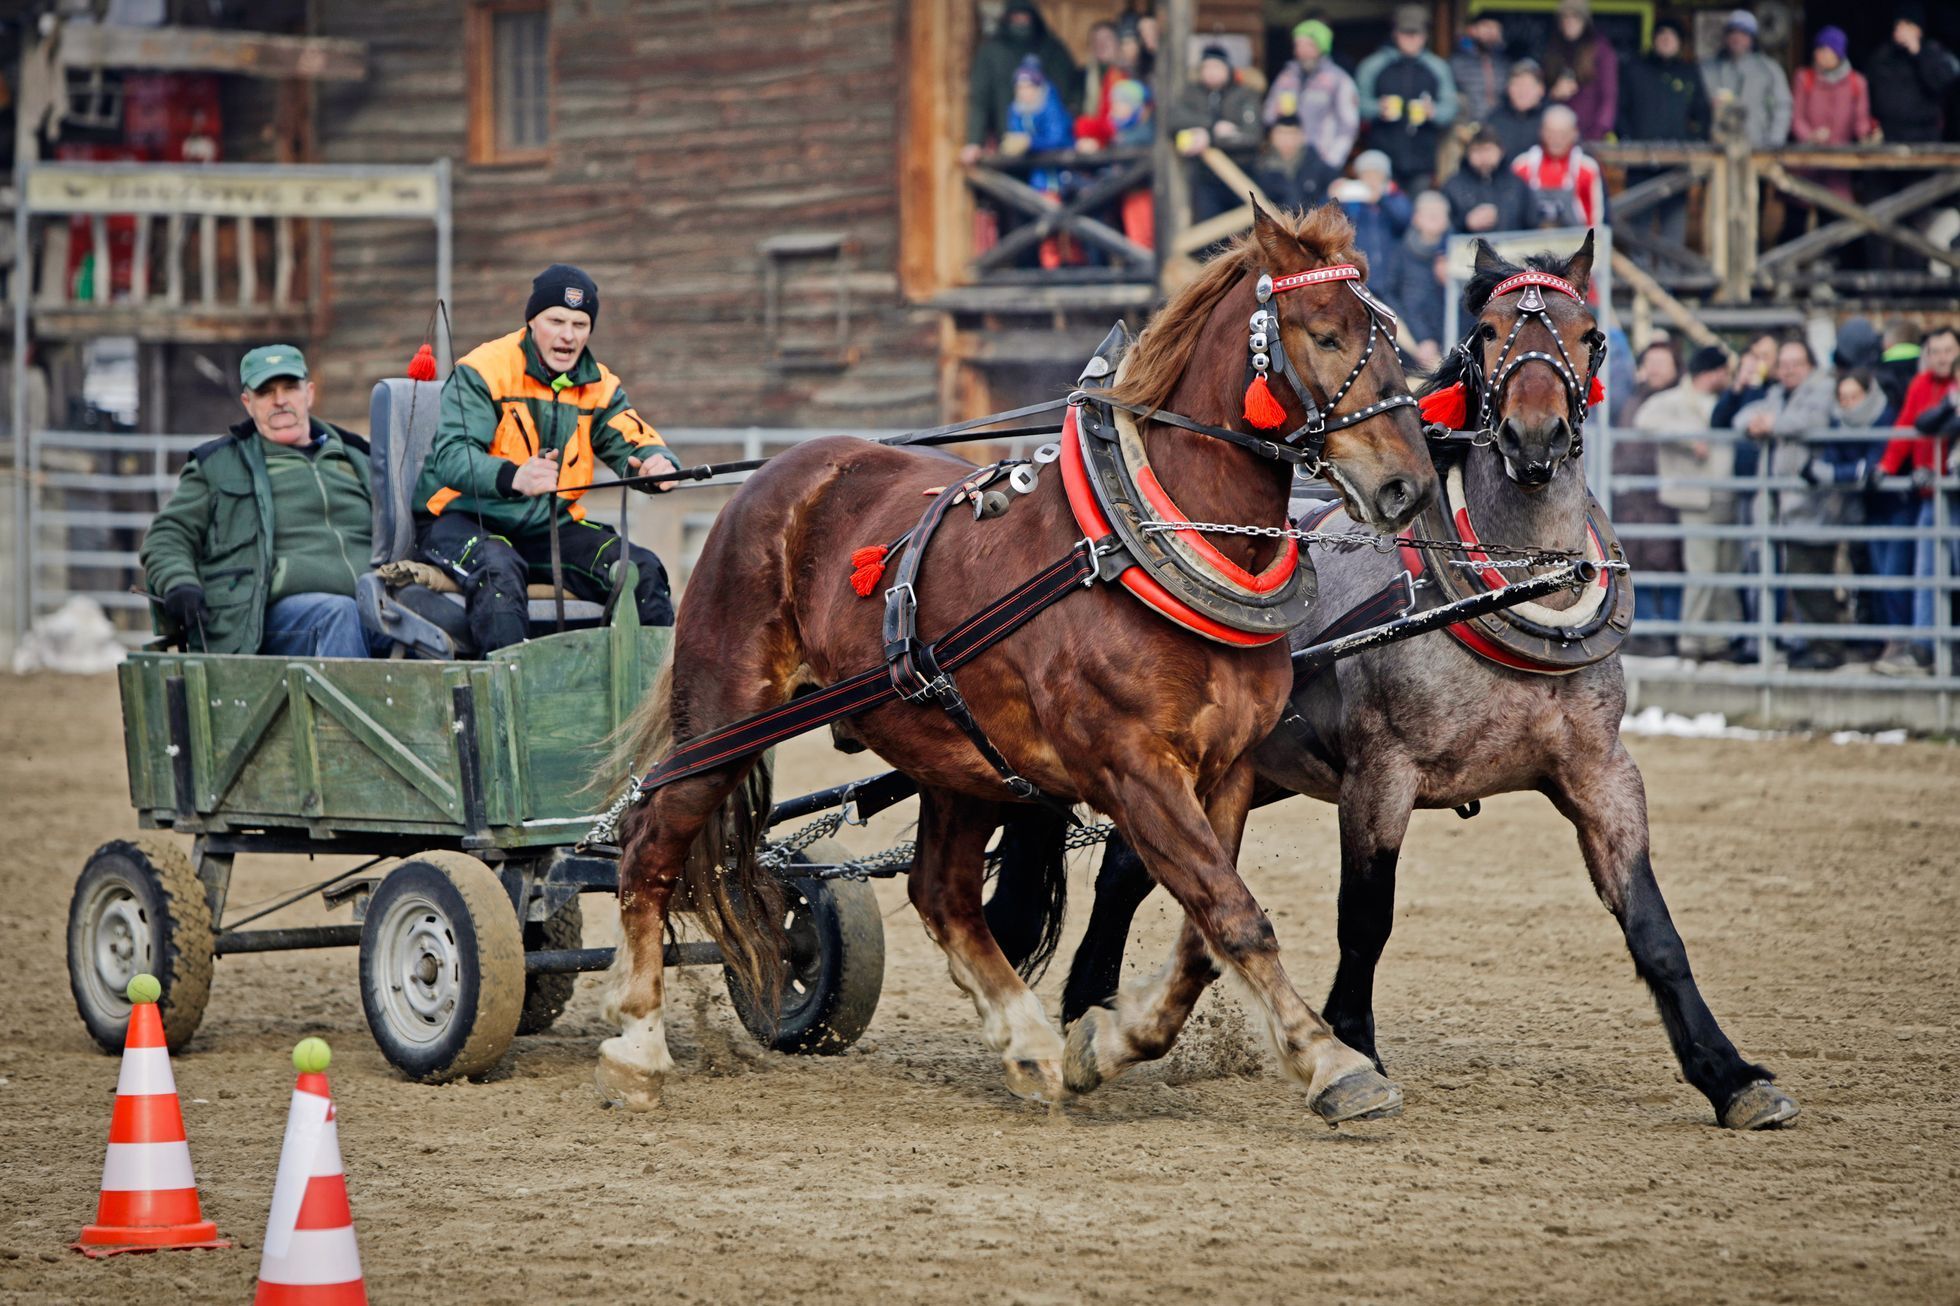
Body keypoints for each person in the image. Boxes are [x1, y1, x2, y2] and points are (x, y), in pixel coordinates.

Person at [414, 265, 679, 655]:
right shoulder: (483, 370)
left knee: (641, 572)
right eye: (556, 321)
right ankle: (510, 704)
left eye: (580, 324)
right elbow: (452, 458)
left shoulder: (600, 386)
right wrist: (514, 476)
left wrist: (656, 463)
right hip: (461, 518)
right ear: (532, 321)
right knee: (498, 571)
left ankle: (656, 702)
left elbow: (632, 440)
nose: (568, 336)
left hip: (548, 526)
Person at [141, 345, 388, 658]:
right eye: (266, 392)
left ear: (309, 393)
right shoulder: (218, 466)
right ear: (248, 403)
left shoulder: (358, 457)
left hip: (374, 603)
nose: (280, 400)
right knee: (339, 614)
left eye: (290, 388)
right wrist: (179, 582)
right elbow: (167, 535)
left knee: (434, 618)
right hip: (264, 619)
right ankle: (344, 709)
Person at [1735, 340, 1842, 668]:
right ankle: (1806, 645)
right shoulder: (1779, 394)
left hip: (1815, 504)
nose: (1789, 369)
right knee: (1792, 577)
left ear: (1810, 365)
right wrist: (1758, 424)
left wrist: (1772, 424)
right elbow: (1742, 418)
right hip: (1782, 508)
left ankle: (1826, 649)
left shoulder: (1823, 389)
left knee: (1812, 578)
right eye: (1784, 363)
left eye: (1796, 363)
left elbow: (1812, 421)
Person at [1641, 346, 1742, 663]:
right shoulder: (1674, 400)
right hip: (1697, 498)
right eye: (1723, 372)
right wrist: (1689, 438)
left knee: (1727, 570)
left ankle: (1719, 639)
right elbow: (1645, 420)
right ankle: (1692, 639)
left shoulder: (1726, 399)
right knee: (1702, 570)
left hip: (1729, 495)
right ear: (1711, 372)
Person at [1874, 325, 1960, 673]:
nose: (1942, 357)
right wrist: (1887, 466)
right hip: (1930, 494)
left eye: (1948, 350)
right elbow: (1912, 425)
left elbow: (1944, 428)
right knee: (1926, 572)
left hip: (1954, 495)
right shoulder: (1921, 386)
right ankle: (1924, 646)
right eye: (1935, 351)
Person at [1617, 19, 1710, 248]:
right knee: (1639, 231)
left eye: (1672, 36)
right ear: (1654, 40)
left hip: (1676, 167)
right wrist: (1629, 142)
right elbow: (1620, 111)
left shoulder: (1689, 73)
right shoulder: (1634, 69)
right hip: (1640, 164)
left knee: (1673, 230)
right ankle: (1641, 282)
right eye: (1661, 35)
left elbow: (1703, 115)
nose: (1666, 40)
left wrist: (1690, 144)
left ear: (1679, 43)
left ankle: (1667, 283)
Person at [961, 0, 1081, 166]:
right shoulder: (991, 52)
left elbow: (1070, 94)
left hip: (1052, 152)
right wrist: (974, 142)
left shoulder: (1052, 50)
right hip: (1006, 144)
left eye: (1024, 17)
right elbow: (980, 101)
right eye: (1016, 17)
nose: (1020, 22)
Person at [1355, 4, 1458, 194]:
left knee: (1419, 213)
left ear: (1425, 36)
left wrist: (1433, 111)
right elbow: (1357, 105)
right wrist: (1378, 109)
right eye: (1405, 33)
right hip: (1382, 158)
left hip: (1423, 159)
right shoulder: (1373, 65)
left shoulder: (1437, 67)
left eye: (1416, 34)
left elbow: (1450, 108)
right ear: (1395, 34)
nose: (1411, 39)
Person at [1167, 44, 1263, 223]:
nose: (1211, 72)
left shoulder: (1245, 95)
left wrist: (1210, 139)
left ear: (1228, 68)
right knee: (1206, 231)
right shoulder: (1192, 93)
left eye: (1216, 67)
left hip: (1241, 172)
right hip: (1204, 176)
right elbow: (1173, 120)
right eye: (1206, 67)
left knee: (1243, 230)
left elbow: (1252, 137)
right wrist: (1212, 126)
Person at [1261, 19, 1360, 172]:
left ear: (1321, 46)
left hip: (1321, 161)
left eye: (1308, 45)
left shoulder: (1339, 80)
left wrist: (1331, 162)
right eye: (1298, 45)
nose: (1301, 51)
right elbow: (1267, 115)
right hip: (1286, 164)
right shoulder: (1286, 77)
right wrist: (1275, 112)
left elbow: (1349, 126)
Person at [1790, 28, 1873, 205]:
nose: (1821, 54)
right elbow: (1796, 118)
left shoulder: (1856, 83)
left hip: (1838, 165)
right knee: (1796, 215)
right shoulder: (1804, 78)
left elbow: (1861, 120)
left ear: (1838, 53)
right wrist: (1810, 136)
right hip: (1807, 159)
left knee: (1834, 216)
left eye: (1827, 50)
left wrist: (1868, 135)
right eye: (1818, 49)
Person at [1866, 4, 1960, 147]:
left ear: (1918, 29)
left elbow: (1940, 84)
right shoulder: (1883, 56)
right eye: (1899, 25)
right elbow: (1871, 91)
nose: (1901, 30)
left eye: (1907, 25)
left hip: (1925, 136)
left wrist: (1918, 53)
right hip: (1890, 136)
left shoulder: (1933, 53)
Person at [1701, 10, 1791, 149]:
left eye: (1743, 33)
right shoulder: (1709, 69)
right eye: (1732, 32)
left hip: (1758, 147)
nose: (1737, 38)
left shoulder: (1769, 69)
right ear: (1725, 36)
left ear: (1752, 38)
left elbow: (1782, 106)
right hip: (1718, 149)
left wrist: (1774, 143)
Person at [1511, 105, 1605, 229]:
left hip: (1575, 243)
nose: (1556, 139)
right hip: (1530, 243)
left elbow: (1595, 219)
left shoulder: (1587, 168)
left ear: (1574, 133)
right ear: (1542, 132)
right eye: (1551, 132)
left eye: (1562, 134)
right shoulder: (1522, 165)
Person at [1385, 191, 1451, 366]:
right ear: (1416, 218)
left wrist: (1451, 282)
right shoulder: (1400, 252)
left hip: (1452, 342)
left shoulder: (1457, 254)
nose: (1436, 218)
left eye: (1440, 213)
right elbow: (1391, 296)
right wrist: (1420, 339)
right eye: (1430, 213)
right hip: (1411, 345)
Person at [1541, 0, 1617, 142]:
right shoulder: (1552, 49)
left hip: (1590, 134)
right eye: (1565, 17)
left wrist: (1598, 131)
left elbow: (1609, 96)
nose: (1569, 22)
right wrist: (1553, 94)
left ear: (1585, 21)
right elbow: (1539, 95)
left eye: (1575, 17)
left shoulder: (1601, 50)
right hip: (1557, 135)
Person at [1333, 150, 1411, 282]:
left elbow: (1404, 220)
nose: (1372, 179)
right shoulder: (1350, 198)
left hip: (1390, 272)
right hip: (1359, 270)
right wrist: (1334, 196)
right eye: (1367, 174)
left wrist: (1381, 199)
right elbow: (1330, 221)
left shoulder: (1395, 196)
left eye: (1377, 174)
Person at [1442, 128, 1533, 235]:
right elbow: (1442, 228)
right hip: (1468, 248)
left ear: (1501, 151)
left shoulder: (1517, 185)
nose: (1483, 157)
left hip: (1512, 247)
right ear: (1467, 154)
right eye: (1476, 150)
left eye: (1487, 149)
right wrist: (1465, 223)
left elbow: (1532, 222)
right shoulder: (1453, 186)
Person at [1254, 115, 1338, 213]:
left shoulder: (1317, 167)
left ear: (1302, 136)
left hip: (1311, 224)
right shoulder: (1260, 168)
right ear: (1272, 136)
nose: (1287, 140)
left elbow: (1336, 184)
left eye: (1292, 134)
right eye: (1282, 134)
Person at [1450, 14, 1511, 125]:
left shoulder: (1505, 63)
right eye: (1486, 27)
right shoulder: (1457, 63)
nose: (1490, 33)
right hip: (1467, 127)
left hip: (1500, 126)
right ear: (1472, 30)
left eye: (1495, 28)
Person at [1487, 59, 1547, 166]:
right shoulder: (1494, 120)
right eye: (1516, 85)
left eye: (1528, 86)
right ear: (1508, 89)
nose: (1522, 91)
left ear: (1541, 89)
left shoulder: (1552, 119)